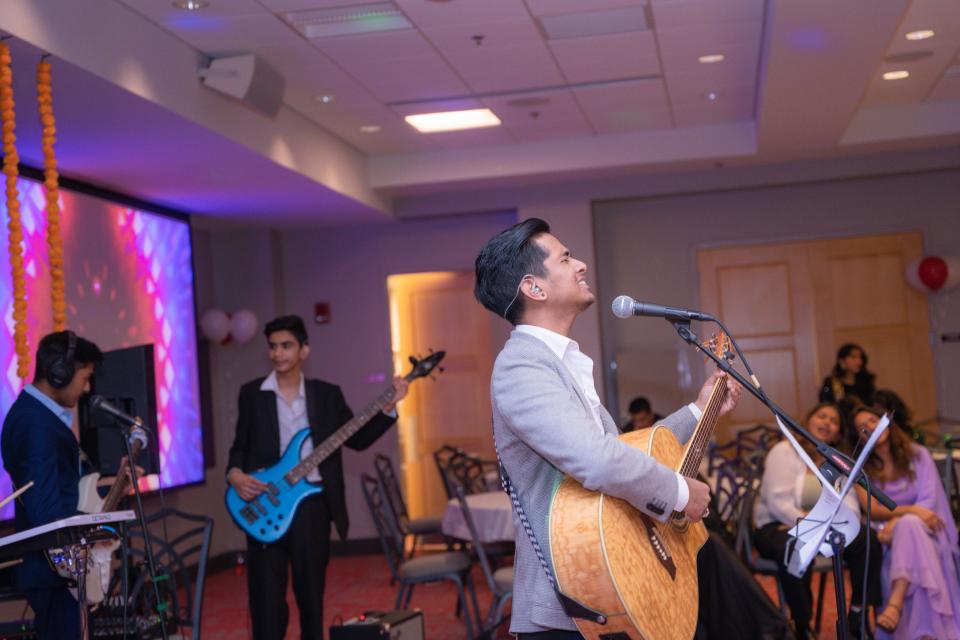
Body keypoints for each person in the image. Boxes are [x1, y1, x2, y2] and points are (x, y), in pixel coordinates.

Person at [474, 218, 741, 638]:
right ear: (534, 288)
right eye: (565, 258)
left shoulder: (559, 363)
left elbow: (621, 451)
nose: (580, 264)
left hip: (601, 585)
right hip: (569, 601)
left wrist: (698, 409)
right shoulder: (521, 366)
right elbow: (598, 461)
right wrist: (681, 492)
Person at [226, 314, 408, 640]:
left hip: (312, 507)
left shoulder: (326, 395)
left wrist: (389, 408)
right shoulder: (252, 394)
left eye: (286, 346)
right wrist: (234, 474)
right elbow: (240, 445)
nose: (278, 353)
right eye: (272, 347)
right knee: (266, 602)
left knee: (311, 597)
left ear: (304, 350)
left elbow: (357, 439)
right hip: (265, 502)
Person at [1, 330, 103, 639]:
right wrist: (93, 522)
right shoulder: (35, 424)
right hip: (51, 571)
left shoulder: (38, 417)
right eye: (84, 378)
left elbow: (57, 488)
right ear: (59, 373)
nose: (86, 389)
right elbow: (46, 510)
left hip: (56, 570)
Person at [753, 402, 882, 639]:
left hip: (825, 528)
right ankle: (802, 624)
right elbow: (778, 503)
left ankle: (857, 614)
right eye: (822, 416)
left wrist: (840, 524)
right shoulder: (785, 451)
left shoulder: (837, 461)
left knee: (867, 539)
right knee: (796, 545)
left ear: (839, 433)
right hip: (778, 526)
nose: (827, 423)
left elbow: (850, 503)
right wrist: (811, 525)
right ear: (808, 420)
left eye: (834, 421)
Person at [853, 405, 960, 640]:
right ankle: (928, 632)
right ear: (859, 438)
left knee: (910, 528)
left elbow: (929, 500)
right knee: (910, 530)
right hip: (885, 534)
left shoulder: (918, 454)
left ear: (886, 422)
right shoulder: (861, 469)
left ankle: (896, 604)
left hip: (929, 528)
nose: (870, 427)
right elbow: (871, 507)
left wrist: (902, 520)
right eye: (863, 427)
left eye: (873, 420)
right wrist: (907, 513)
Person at [819, 343, 875, 413]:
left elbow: (871, 405)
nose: (859, 361)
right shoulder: (832, 382)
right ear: (842, 361)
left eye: (860, 357)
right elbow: (825, 404)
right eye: (853, 357)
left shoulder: (866, 382)